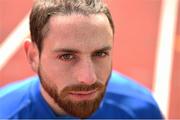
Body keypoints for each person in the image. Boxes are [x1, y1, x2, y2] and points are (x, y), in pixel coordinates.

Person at [0, 0, 163, 119]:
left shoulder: (141, 110)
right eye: (67, 56)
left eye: (100, 54)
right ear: (33, 56)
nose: (88, 78)